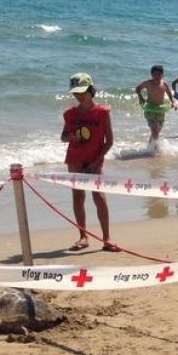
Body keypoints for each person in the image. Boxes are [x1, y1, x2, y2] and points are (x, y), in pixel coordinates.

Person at [62, 73, 115, 251]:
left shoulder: (102, 112)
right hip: (75, 159)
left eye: (81, 92)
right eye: (75, 93)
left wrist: (97, 161)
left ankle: (107, 238)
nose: (78, 96)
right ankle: (83, 237)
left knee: (99, 197)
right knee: (78, 197)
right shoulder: (70, 114)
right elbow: (63, 137)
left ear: (90, 90)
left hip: (95, 160)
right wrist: (71, 137)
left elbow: (109, 141)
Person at [135, 64, 176, 149]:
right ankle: (155, 150)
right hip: (150, 109)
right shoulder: (148, 83)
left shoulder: (164, 84)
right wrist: (141, 98)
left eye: (159, 74)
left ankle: (149, 147)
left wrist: (173, 103)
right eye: (154, 74)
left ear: (162, 75)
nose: (156, 76)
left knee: (157, 131)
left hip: (160, 110)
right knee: (155, 131)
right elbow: (138, 88)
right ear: (151, 75)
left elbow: (170, 95)